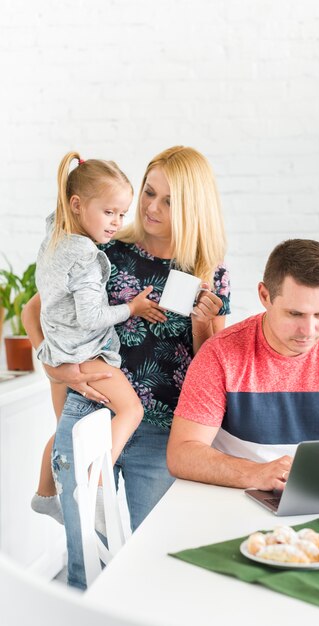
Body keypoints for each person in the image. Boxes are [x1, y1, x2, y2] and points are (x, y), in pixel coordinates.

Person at [22, 145, 231, 589]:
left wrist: (201, 322)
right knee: (84, 564)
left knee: (154, 560)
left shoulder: (209, 271)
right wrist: (58, 369)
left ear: (194, 206)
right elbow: (35, 314)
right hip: (90, 415)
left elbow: (210, 368)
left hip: (162, 432)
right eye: (149, 192)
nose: (152, 207)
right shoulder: (103, 248)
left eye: (169, 200)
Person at [167, 238, 319, 490]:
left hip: (316, 494)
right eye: (295, 314)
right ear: (265, 295)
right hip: (236, 495)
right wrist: (255, 474)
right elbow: (181, 454)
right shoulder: (221, 353)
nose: (309, 330)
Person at [31, 151, 148, 530]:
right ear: (78, 205)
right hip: (86, 354)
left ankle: (45, 495)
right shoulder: (85, 256)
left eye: (122, 214)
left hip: (57, 352)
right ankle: (96, 483)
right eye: (109, 212)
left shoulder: (55, 234)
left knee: (62, 429)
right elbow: (92, 317)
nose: (116, 223)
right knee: (132, 411)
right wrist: (133, 308)